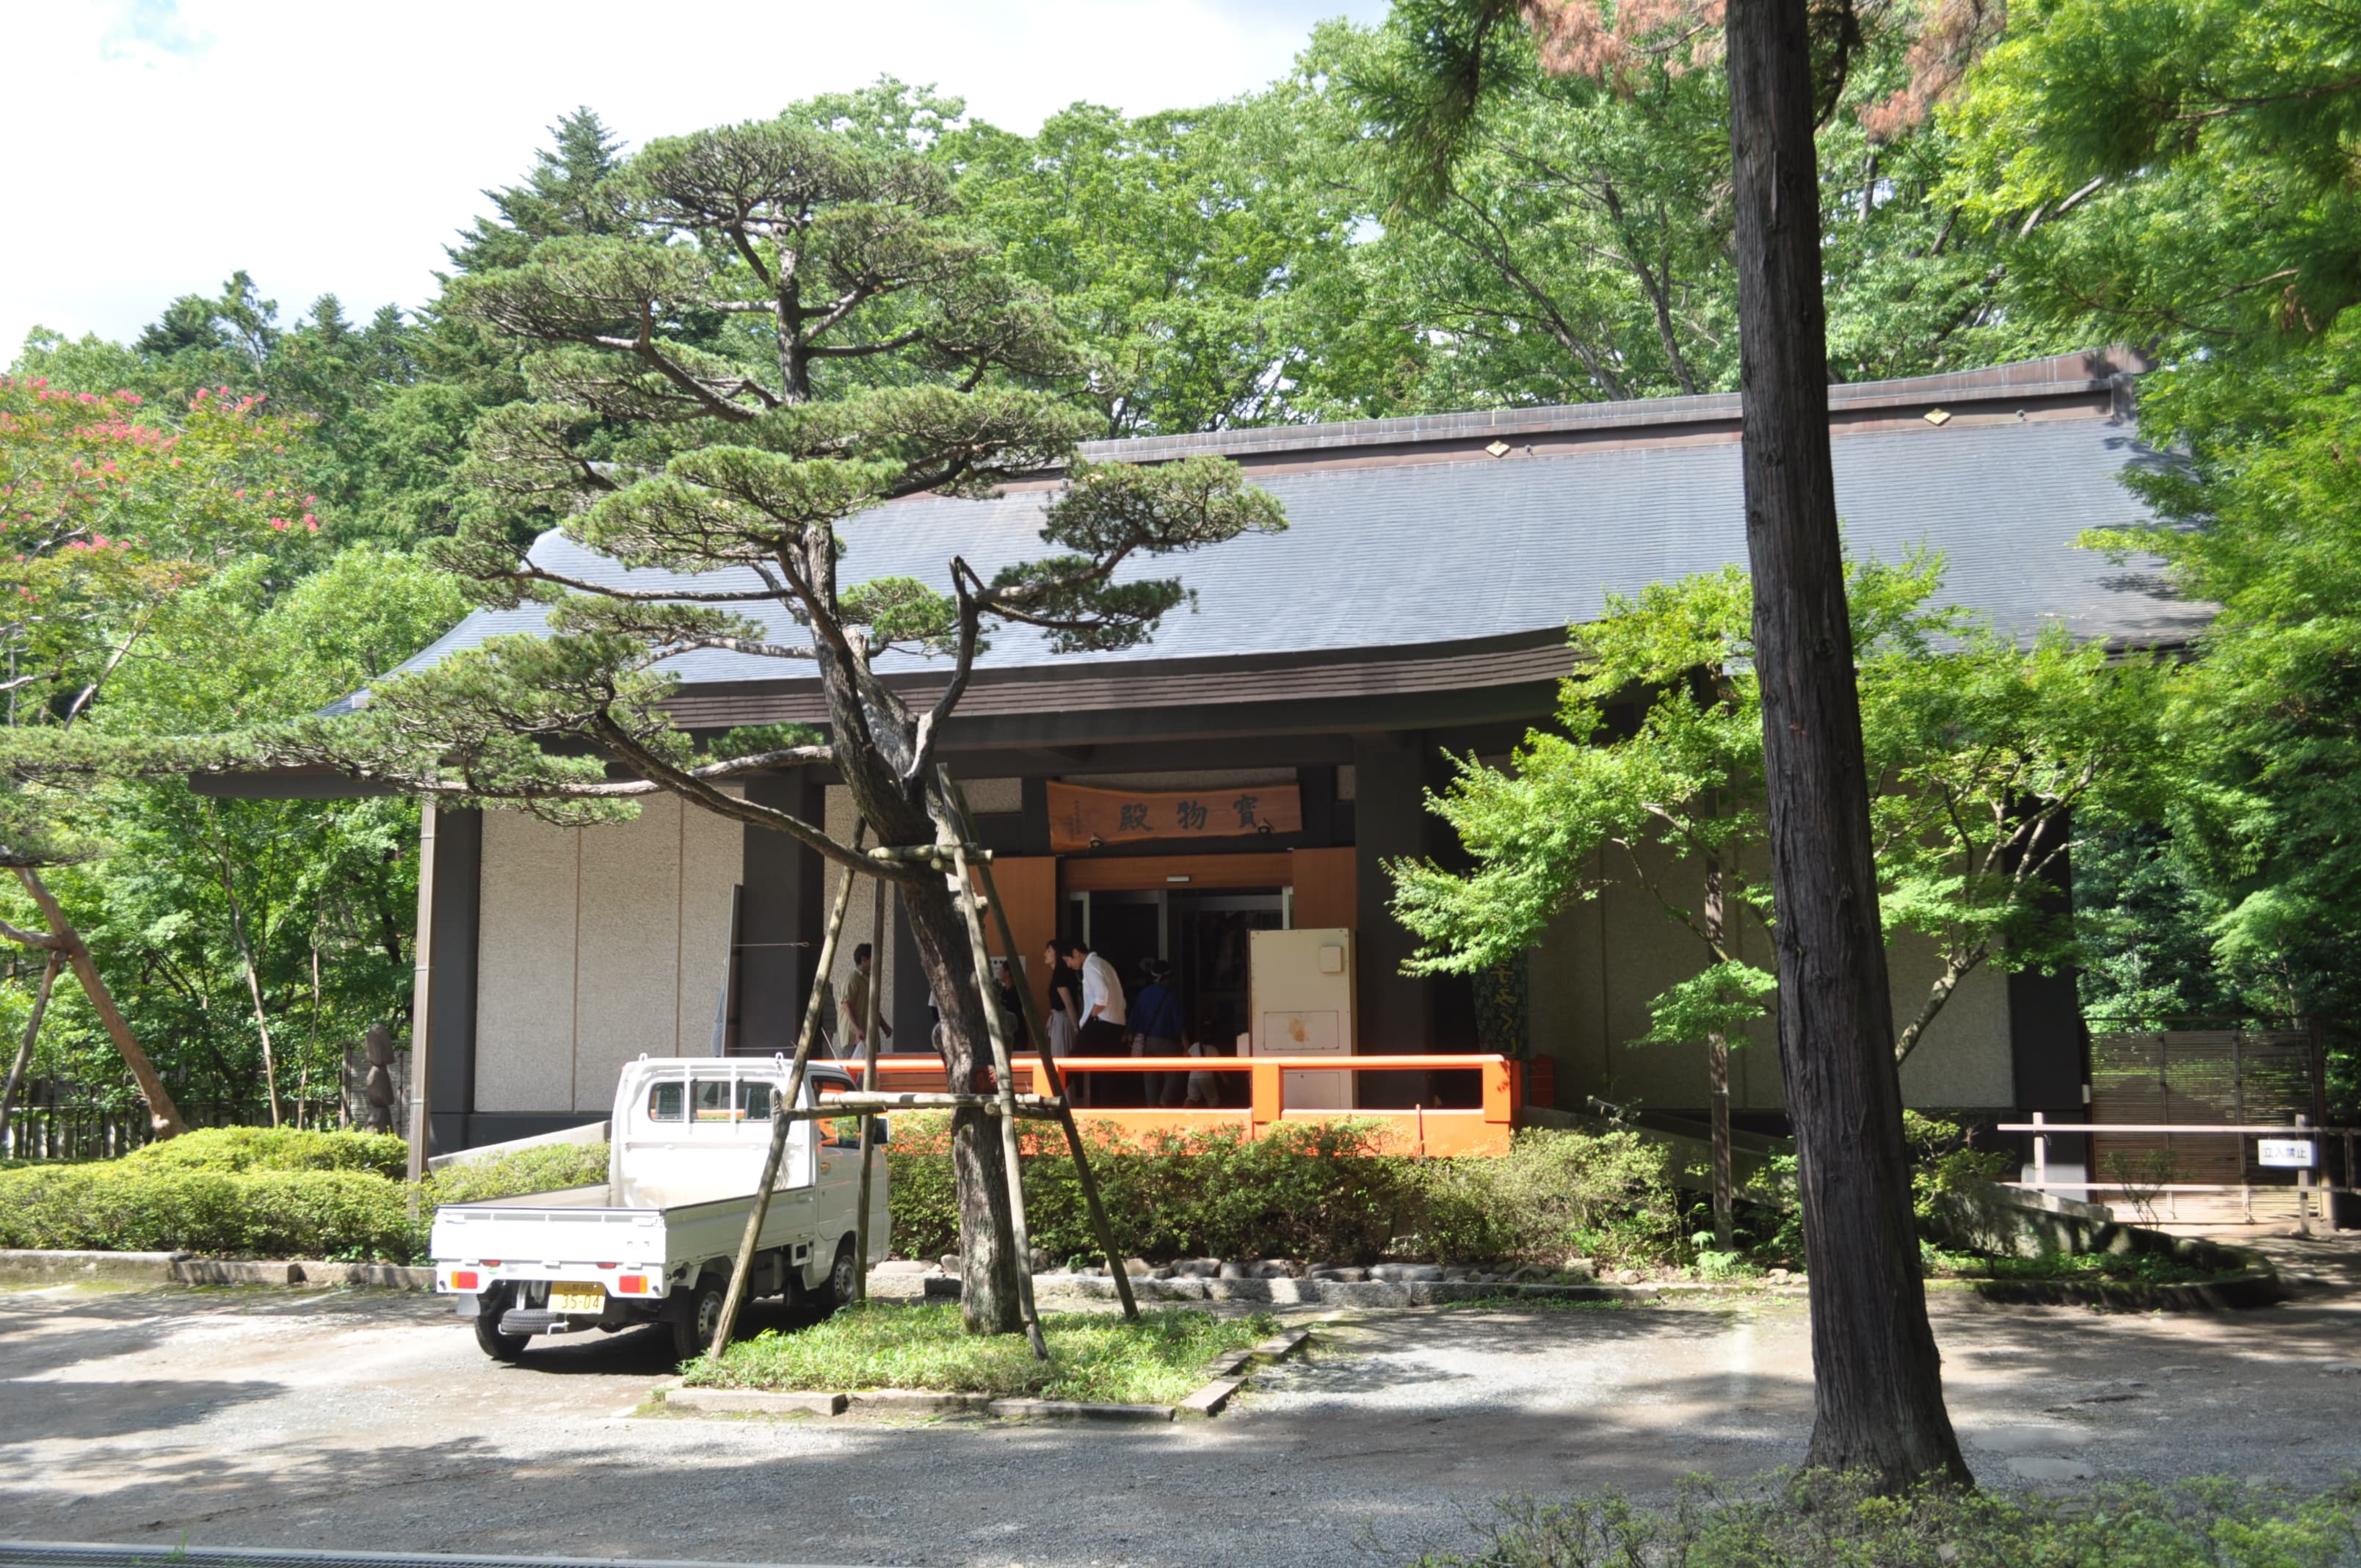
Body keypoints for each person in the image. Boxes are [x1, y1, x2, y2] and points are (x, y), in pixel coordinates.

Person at [1059, 937, 1126, 1103]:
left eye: (1068, 960)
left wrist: (1090, 1018)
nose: (1069, 965)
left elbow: (1102, 996)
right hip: (1116, 1024)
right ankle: (1106, 1111)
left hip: (1100, 1023)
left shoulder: (1090, 966)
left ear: (1076, 953)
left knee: (1072, 1064)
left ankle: (1051, 1095)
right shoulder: (1104, 964)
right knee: (1106, 1073)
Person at [1130, 959, 1187, 1107]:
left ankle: (1152, 1108)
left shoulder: (1144, 994)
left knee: (1150, 1080)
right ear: (1168, 977)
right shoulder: (1172, 995)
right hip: (1167, 1042)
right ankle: (1165, 1101)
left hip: (1146, 1042)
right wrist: (1187, 1047)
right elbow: (1179, 1024)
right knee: (1174, 1075)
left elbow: (1134, 1020)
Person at [1042, 940, 1084, 1103]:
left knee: (1062, 1062)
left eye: (1049, 950)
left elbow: (1069, 1004)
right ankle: (1063, 1101)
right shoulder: (1060, 974)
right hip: (1060, 1020)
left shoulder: (1060, 974)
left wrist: (1075, 1027)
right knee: (1060, 1061)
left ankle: (1065, 1104)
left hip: (1064, 1021)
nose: (1045, 954)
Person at [840, 943, 891, 1058]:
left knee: (872, 1074)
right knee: (853, 1073)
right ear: (864, 959)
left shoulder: (870, 980)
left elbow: (873, 1007)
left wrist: (884, 1025)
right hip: (854, 1039)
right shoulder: (852, 979)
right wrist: (857, 1029)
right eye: (874, 959)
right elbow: (846, 1005)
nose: (877, 963)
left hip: (870, 1037)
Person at [1183, 1015, 1225, 1108]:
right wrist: (1224, 1077)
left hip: (1193, 1077)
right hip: (1207, 1078)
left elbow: (1185, 1057)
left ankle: (1183, 1117)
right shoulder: (1213, 1049)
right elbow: (1219, 1066)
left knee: (1191, 1098)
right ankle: (1214, 1121)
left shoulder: (1194, 1046)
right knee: (1213, 1101)